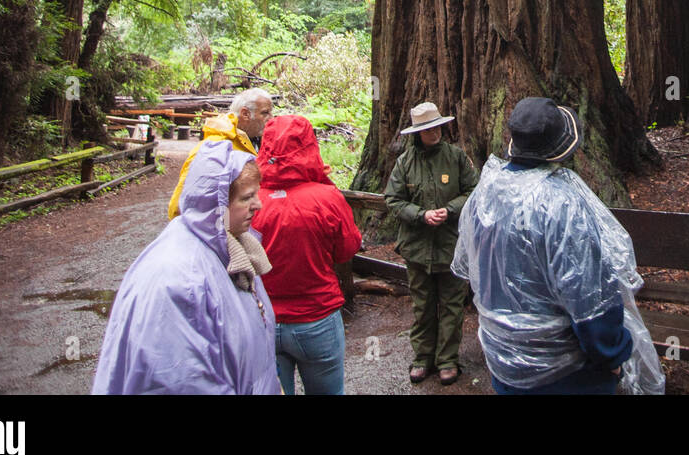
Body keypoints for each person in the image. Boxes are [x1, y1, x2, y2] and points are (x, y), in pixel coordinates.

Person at [452, 97, 664, 395]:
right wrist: (611, 355)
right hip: (566, 376)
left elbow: (475, 274)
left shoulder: (484, 194)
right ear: (561, 148)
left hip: (504, 365)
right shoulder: (561, 204)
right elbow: (590, 297)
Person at [93, 139, 280, 394]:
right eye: (247, 198)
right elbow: (178, 381)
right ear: (216, 206)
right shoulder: (180, 279)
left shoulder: (232, 247)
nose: (258, 205)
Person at [252, 114, 362, 395]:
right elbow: (347, 249)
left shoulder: (249, 199)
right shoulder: (326, 197)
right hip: (317, 318)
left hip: (263, 320)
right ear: (309, 146)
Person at [383, 101, 479, 385]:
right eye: (428, 129)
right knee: (423, 305)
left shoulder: (456, 157)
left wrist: (449, 209)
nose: (434, 132)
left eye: (437, 126)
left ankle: (448, 359)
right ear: (417, 132)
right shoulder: (405, 163)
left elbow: (473, 191)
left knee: (451, 305)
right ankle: (423, 357)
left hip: (451, 246)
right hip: (417, 248)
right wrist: (420, 215)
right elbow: (393, 199)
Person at [167, 87, 273, 220]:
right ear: (245, 114)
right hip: (220, 231)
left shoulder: (259, 142)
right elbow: (179, 205)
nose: (271, 118)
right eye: (265, 113)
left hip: (243, 227)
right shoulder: (215, 147)